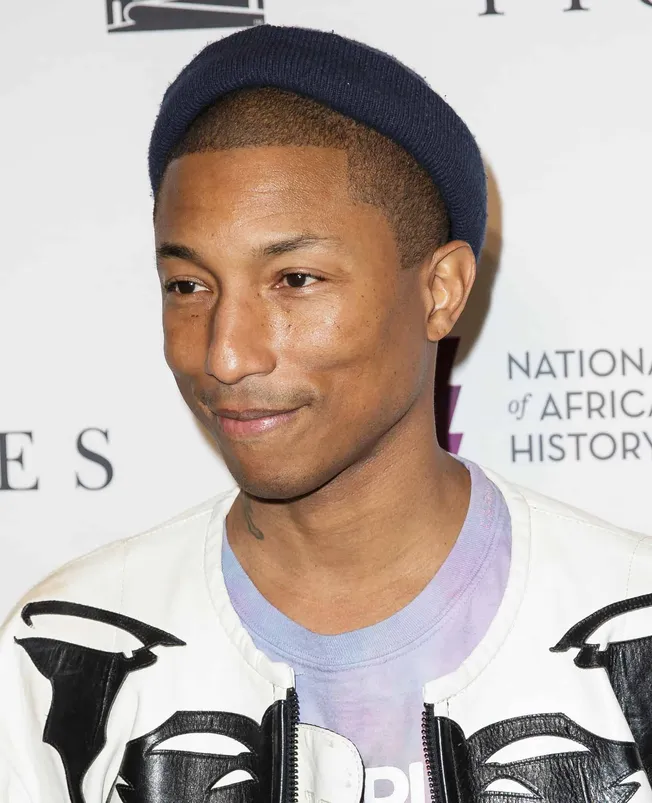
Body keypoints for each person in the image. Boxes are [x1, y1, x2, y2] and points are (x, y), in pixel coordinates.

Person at [1, 23, 651, 803]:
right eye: (187, 286)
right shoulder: (67, 650)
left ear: (439, 290)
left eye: (296, 279)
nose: (226, 354)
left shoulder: (632, 630)